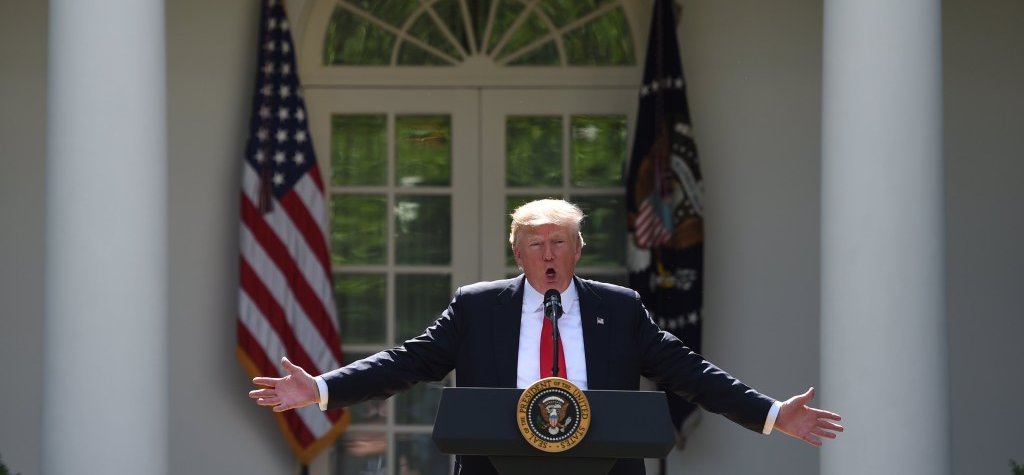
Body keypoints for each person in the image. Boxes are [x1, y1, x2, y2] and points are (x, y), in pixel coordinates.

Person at [250, 198, 843, 474]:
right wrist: (323, 389)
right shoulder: (478, 308)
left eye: (560, 241)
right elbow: (411, 362)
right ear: (518, 252)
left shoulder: (621, 308)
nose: (549, 253)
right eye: (537, 243)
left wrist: (770, 415)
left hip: (603, 466)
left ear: (579, 251)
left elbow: (689, 373)